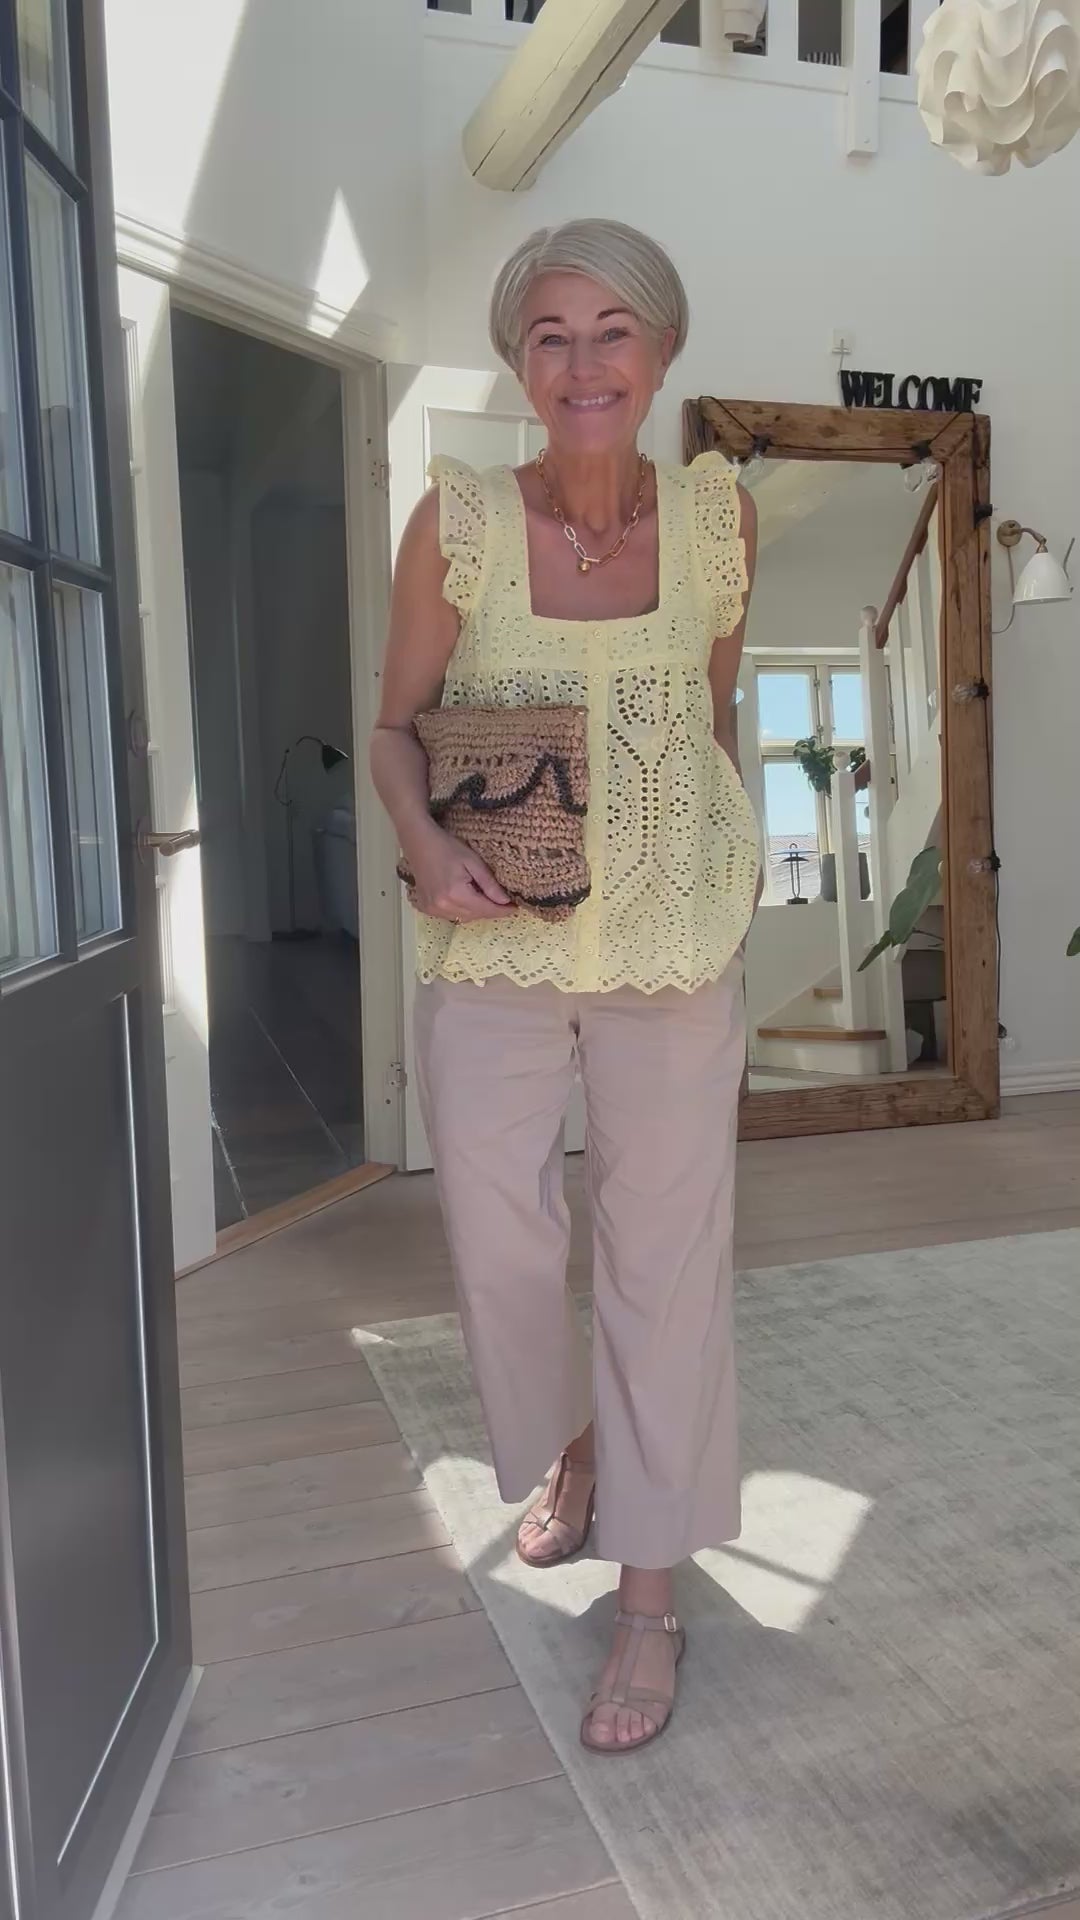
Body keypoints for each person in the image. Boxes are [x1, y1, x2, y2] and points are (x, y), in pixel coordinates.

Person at [371, 219, 761, 1754]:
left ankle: (649, 1602)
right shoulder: (459, 521)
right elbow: (395, 726)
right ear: (517, 361)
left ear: (661, 353)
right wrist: (423, 849)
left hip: (674, 955)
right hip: (496, 949)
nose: (584, 363)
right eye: (551, 334)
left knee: (669, 1269)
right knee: (502, 1245)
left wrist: (719, 885)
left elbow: (709, 727)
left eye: (613, 332)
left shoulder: (720, 521)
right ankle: (579, 1449)